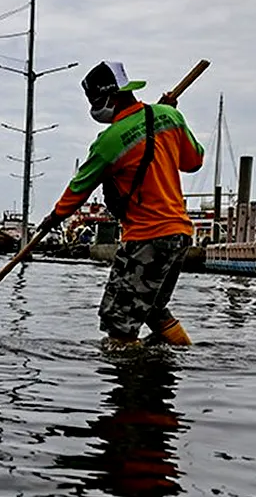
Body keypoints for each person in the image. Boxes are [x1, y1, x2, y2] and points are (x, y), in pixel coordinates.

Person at [36, 61, 204, 349]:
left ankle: (129, 380)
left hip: (147, 238)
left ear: (111, 96)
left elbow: (80, 187)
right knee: (152, 310)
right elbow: (194, 161)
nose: (93, 109)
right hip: (179, 235)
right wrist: (171, 120)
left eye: (95, 101)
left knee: (119, 322)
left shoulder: (109, 141)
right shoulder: (169, 117)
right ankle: (183, 357)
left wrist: (54, 218)